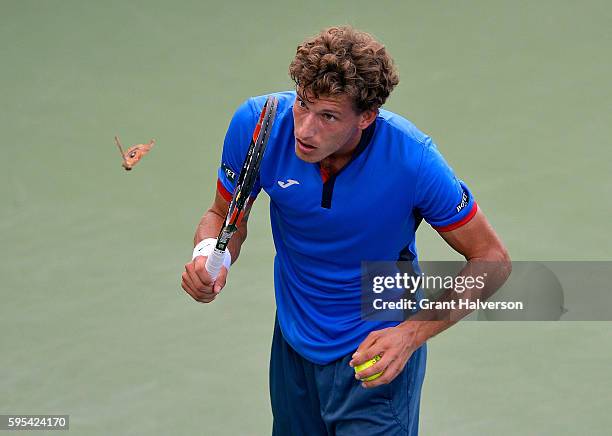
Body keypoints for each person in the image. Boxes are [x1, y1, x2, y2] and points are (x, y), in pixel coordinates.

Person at [181, 26, 510, 436]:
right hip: (294, 345)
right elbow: (223, 215)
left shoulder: (414, 162)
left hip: (375, 353)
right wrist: (208, 254)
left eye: (328, 116)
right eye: (302, 103)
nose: (304, 129)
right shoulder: (259, 125)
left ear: (366, 117)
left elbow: (492, 260)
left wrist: (410, 335)